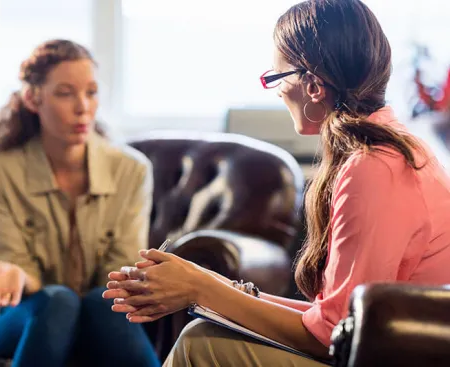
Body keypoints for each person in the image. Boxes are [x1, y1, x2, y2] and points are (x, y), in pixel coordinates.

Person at [103, 1, 450, 366]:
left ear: (313, 86)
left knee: (201, 343)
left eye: (277, 77)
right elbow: (332, 316)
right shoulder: (392, 148)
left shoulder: (374, 167)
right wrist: (207, 285)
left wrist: (200, 286)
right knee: (206, 334)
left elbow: (334, 334)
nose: (277, 91)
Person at [0, 39, 160, 367]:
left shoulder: (132, 169)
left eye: (91, 92)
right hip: (19, 314)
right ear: (33, 98)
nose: (83, 107)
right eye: (65, 93)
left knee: (103, 304)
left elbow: (120, 271)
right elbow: (12, 259)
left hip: (99, 312)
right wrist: (14, 274)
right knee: (58, 302)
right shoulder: (0, 169)